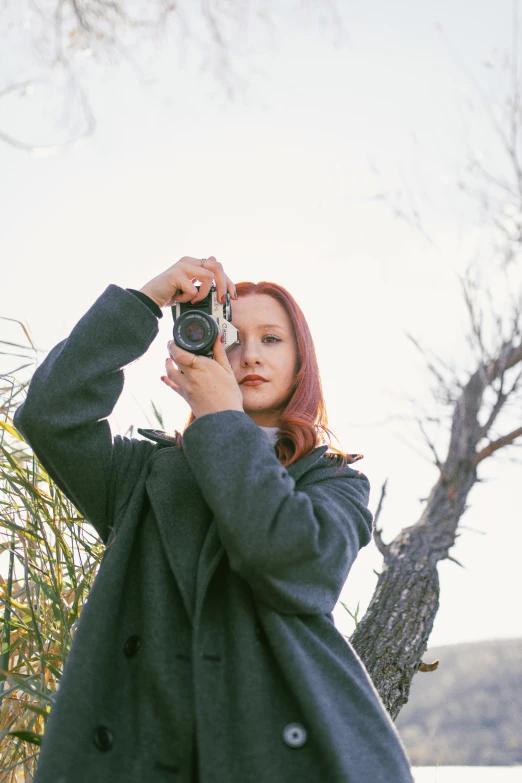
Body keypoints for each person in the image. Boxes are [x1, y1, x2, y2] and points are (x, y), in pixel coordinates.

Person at [13, 256, 413, 782]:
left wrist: (223, 418)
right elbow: (49, 415)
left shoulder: (334, 481)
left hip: (286, 755)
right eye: (230, 336)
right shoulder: (142, 477)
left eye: (271, 339)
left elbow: (292, 562)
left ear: (301, 362)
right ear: (202, 344)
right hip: (143, 750)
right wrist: (145, 301)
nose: (249, 355)